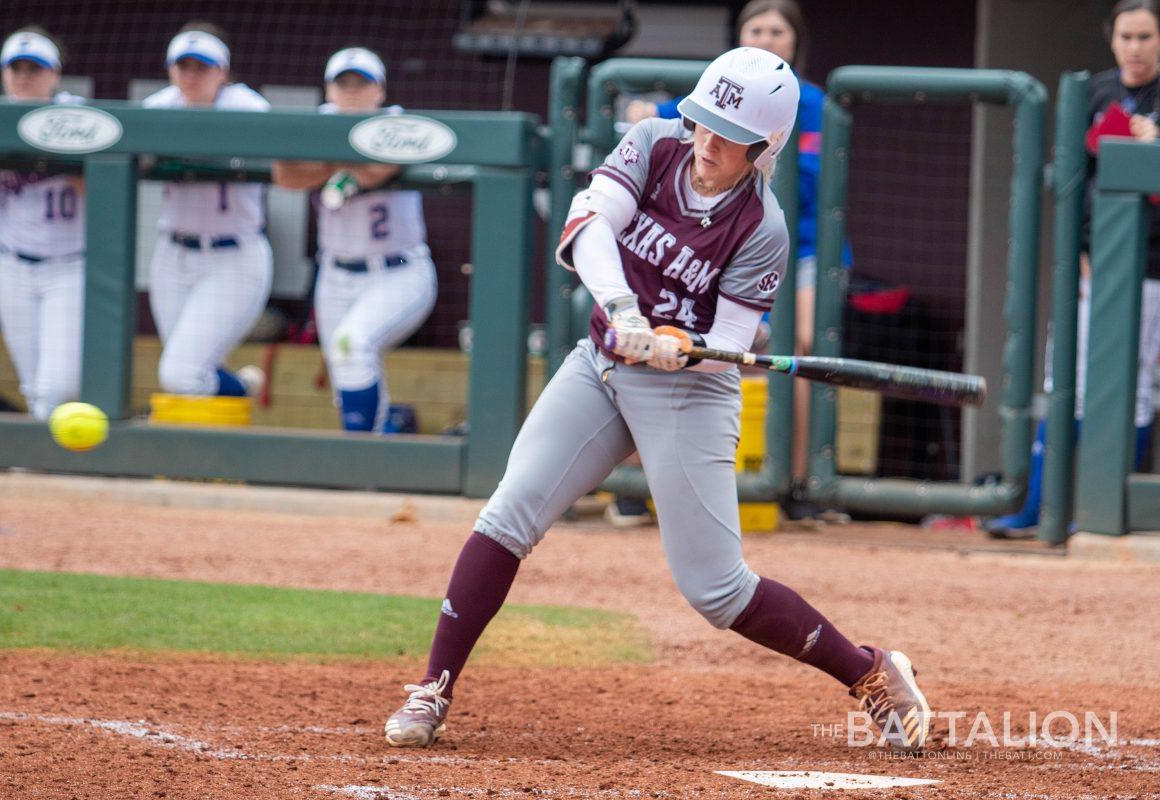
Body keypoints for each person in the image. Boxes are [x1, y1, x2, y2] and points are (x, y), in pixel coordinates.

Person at [383, 48, 931, 753]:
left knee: (718, 592)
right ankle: (433, 687)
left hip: (690, 394)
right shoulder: (651, 144)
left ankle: (870, 671)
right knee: (509, 512)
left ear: (764, 149)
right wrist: (626, 314)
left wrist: (689, 346)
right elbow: (589, 226)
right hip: (602, 364)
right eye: (702, 121)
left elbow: (730, 340)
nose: (705, 142)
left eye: (727, 135)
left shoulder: (763, 231)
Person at [625, 0, 850, 521]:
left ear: (795, 41)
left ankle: (796, 486)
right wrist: (642, 112)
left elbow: (815, 187)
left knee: (801, 344)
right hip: (713, 248)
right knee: (657, 330)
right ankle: (634, 484)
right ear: (739, 36)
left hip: (803, 249)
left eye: (778, 30)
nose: (768, 38)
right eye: (757, 28)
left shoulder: (817, 105)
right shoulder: (713, 96)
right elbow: (666, 126)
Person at [986, 0, 1160, 536]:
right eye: (1126, 37)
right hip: (1094, 263)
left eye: (1146, 37)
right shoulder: (1095, 93)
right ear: (1112, 40)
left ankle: (1109, 515)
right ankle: (1040, 507)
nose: (1135, 47)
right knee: (1065, 378)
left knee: (1138, 386)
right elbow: (1073, 185)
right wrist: (1083, 255)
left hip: (1153, 267)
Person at [272, 48, 437, 432]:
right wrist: (342, 163)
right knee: (345, 372)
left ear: (379, 90)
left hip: (398, 269)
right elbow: (285, 175)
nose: (351, 91)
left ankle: (360, 458)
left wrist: (324, 162)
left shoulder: (394, 120)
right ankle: (389, 430)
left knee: (353, 344)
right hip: (336, 275)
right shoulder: (320, 122)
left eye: (360, 83)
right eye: (342, 83)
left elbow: (378, 169)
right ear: (329, 90)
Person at [0, 28, 86, 420]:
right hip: (13, 265)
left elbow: (95, 189)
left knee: (59, 385)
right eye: (16, 68)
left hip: (68, 267)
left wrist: (48, 149)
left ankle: (52, 461)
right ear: (4, 74)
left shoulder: (77, 116)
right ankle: (48, 470)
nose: (25, 76)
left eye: (36, 68)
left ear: (55, 74)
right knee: (34, 387)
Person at [142, 22, 270, 398]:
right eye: (184, 66)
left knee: (180, 373)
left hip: (234, 256)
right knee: (188, 374)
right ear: (171, 70)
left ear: (223, 72)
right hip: (173, 255)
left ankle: (238, 392)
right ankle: (233, 400)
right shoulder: (157, 108)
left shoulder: (247, 107)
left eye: (203, 67)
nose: (192, 76)